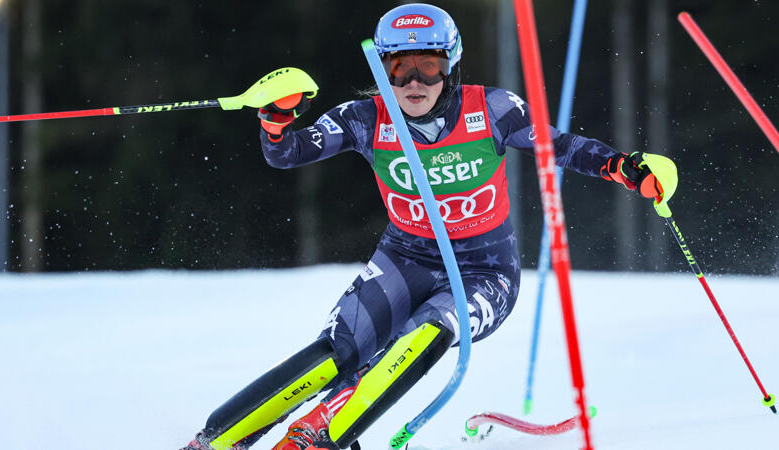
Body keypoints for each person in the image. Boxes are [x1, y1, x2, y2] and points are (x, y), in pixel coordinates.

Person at [183, 3, 672, 450]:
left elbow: (561, 146)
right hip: (404, 259)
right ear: (383, 69)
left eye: (429, 67)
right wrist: (274, 120)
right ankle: (222, 437)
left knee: (425, 333)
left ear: (450, 68)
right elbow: (288, 153)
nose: (414, 82)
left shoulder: (494, 109)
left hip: (485, 272)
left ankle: (319, 432)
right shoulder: (364, 118)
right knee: (342, 350)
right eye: (400, 68)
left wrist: (624, 168)